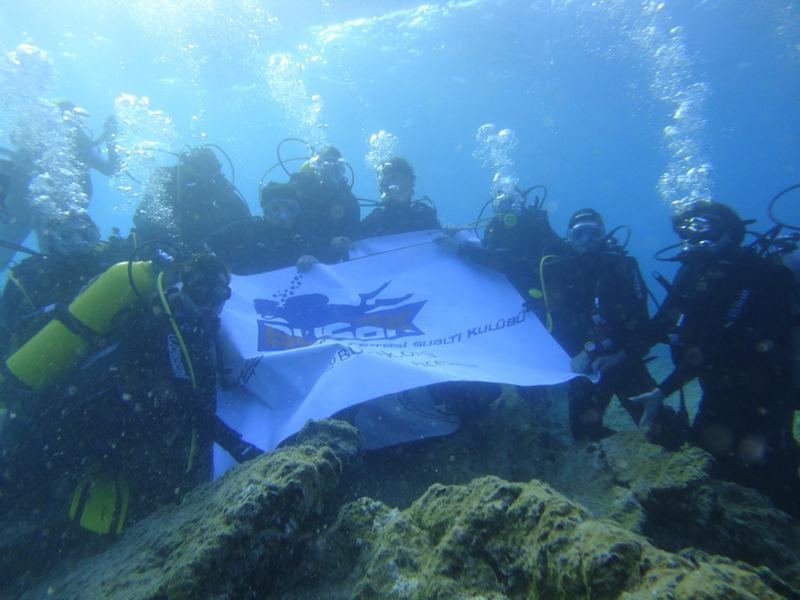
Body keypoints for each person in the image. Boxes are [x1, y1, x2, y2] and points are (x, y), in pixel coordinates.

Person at [633, 201, 800, 515]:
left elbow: (718, 341)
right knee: (712, 469)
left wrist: (663, 389)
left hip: (765, 391)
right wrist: (613, 347)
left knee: (776, 478)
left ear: (730, 231)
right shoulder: (690, 272)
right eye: (690, 227)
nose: (697, 233)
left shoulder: (758, 270)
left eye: (707, 224)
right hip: (717, 390)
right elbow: (662, 324)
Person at [543, 208, 659, 442]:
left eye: (594, 233)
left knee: (661, 430)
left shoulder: (624, 266)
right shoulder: (560, 271)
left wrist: (618, 355)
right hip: (588, 369)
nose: (586, 241)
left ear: (604, 236)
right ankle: (622, 459)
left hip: (624, 360)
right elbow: (562, 325)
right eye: (578, 235)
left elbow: (642, 325)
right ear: (569, 239)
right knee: (583, 434)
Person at [0, 209, 132, 360]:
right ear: (51, 239)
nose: (77, 243)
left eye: (87, 236)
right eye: (66, 236)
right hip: (54, 363)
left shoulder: (111, 259)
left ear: (97, 237)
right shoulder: (29, 277)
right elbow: (7, 330)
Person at [133, 146, 251, 253]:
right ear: (188, 164)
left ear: (215, 168)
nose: (202, 170)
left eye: (208, 165)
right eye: (198, 164)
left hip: (205, 253)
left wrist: (222, 184)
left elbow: (245, 220)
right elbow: (142, 216)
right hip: (167, 248)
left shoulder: (219, 191)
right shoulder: (169, 179)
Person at [205, 183, 324, 275]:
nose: (283, 216)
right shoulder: (242, 230)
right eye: (275, 208)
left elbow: (329, 270)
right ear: (265, 209)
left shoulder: (302, 244)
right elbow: (206, 246)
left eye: (291, 210)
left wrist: (316, 266)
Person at [278, 144, 360, 265]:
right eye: (325, 170)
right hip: (294, 256)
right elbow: (283, 229)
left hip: (330, 260)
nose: (330, 176)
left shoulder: (348, 200)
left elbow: (353, 239)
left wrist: (332, 245)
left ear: (342, 172)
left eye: (336, 170)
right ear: (316, 169)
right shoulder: (299, 192)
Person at [359, 157, 441, 239]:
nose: (394, 189)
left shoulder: (424, 218)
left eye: (398, 183)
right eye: (387, 184)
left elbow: (443, 243)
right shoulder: (371, 223)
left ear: (410, 185)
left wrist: (452, 243)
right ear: (382, 191)